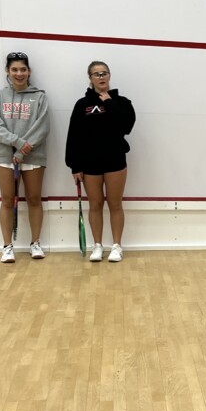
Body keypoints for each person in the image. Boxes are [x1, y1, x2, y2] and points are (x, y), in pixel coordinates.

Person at [65, 61, 136, 262]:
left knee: (115, 204)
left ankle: (116, 246)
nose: (101, 77)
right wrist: (74, 165)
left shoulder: (122, 102)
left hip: (115, 161)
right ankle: (97, 246)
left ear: (109, 76)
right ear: (90, 78)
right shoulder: (82, 105)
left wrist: (109, 102)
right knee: (95, 205)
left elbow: (126, 126)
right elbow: (74, 136)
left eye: (104, 73)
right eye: (96, 74)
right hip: (89, 164)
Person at [0, 51, 50, 263]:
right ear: (7, 71)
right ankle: (7, 247)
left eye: (23, 69)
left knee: (34, 199)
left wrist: (23, 149)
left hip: (33, 156)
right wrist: (17, 144)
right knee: (7, 200)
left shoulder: (40, 97)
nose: (19, 73)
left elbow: (42, 128)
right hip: (5, 157)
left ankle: (35, 243)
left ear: (29, 71)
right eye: (14, 69)